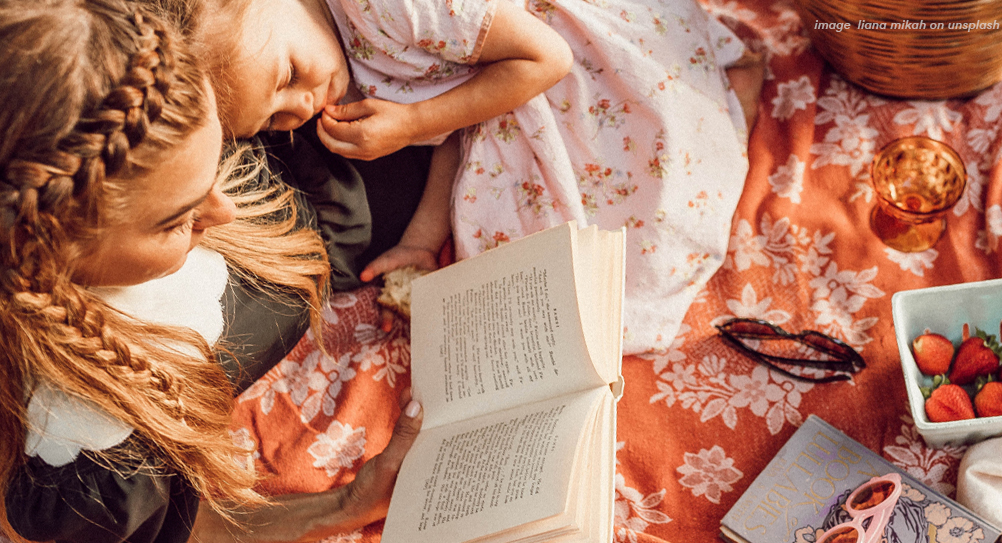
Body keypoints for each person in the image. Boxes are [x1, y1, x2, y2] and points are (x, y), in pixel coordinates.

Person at [0, 1, 422, 542]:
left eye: (222, 146)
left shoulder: (121, 84)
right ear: (51, 264)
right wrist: (342, 507)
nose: (224, 211)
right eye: (177, 220)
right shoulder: (86, 456)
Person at [161, 0, 762, 354]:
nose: (300, 106)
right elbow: (462, 122)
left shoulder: (389, 9)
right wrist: (422, 240)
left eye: (288, 75)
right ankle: (733, 100)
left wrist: (413, 120)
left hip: (566, 58)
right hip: (501, 94)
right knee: (528, 261)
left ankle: (730, 99)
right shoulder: (323, 49)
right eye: (271, 118)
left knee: (656, 185)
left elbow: (544, 58)